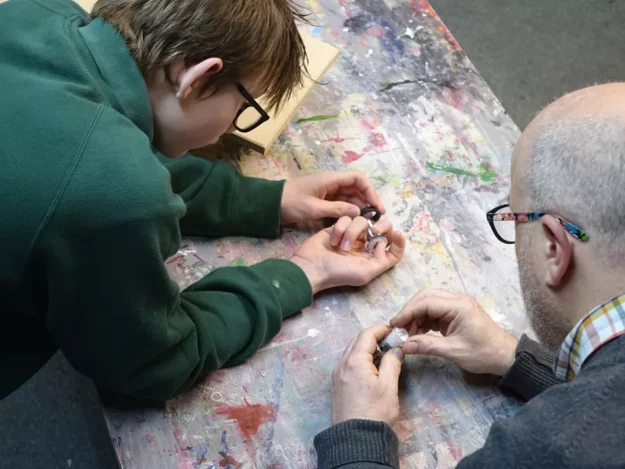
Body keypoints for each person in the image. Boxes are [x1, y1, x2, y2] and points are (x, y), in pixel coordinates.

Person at [0, 0, 406, 400]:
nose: (231, 127)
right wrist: (303, 272)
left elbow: (93, 143)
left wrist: (264, 199)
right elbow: (150, 365)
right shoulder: (114, 195)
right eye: (244, 107)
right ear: (196, 75)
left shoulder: (34, 12)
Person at [315, 83, 625, 469]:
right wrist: (515, 358)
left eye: (514, 217)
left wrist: (358, 437)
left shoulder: (550, 449)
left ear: (553, 247)